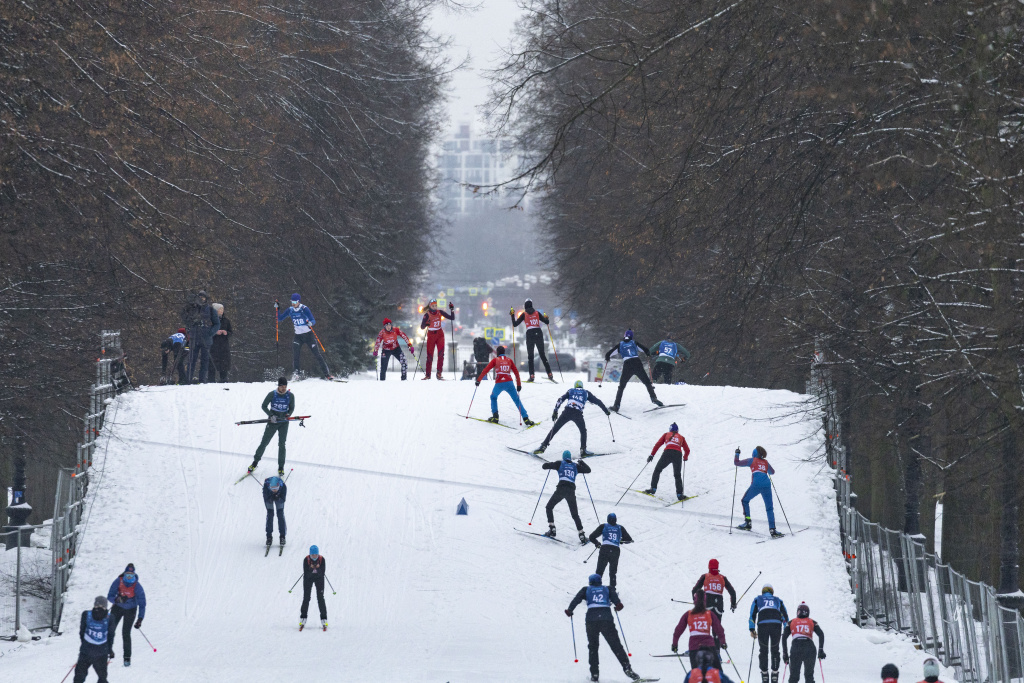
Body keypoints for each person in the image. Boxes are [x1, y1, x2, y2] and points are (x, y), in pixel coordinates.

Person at [565, 573, 641, 682]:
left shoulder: (586, 589)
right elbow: (617, 602)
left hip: (591, 621)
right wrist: (618, 605)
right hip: (606, 620)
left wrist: (570, 610)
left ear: (590, 582)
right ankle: (627, 668)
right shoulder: (607, 589)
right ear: (600, 581)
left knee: (593, 647)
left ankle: (594, 675)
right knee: (616, 645)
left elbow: (576, 600)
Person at [535, 380, 610, 457]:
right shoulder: (586, 392)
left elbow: (560, 399)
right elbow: (598, 401)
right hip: (577, 413)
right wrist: (606, 411)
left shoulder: (570, 391)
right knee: (583, 431)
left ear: (575, 386)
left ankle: (543, 446)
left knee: (555, 429)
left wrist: (555, 411)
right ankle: (583, 450)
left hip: (567, 411)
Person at [475, 345, 536, 426]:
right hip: (509, 383)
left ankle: (495, 417)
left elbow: (486, 370)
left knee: (493, 397)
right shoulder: (509, 360)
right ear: (504, 352)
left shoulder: (495, 360)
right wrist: (518, 384)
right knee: (517, 400)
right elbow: (516, 372)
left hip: (499, 383)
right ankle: (526, 418)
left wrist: (478, 380)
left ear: (497, 353)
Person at [603, 329, 662, 412]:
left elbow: (608, 354)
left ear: (624, 335)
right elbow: (645, 350)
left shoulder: (620, 344)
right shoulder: (634, 342)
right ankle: (654, 398)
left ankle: (616, 405)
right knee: (647, 382)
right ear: (632, 336)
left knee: (621, 387)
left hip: (627, 364)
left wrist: (607, 358)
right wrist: (648, 354)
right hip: (637, 363)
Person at [277, 293, 332, 380]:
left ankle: (327, 374)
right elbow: (279, 319)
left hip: (308, 336)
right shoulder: (290, 310)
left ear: (298, 301)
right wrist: (277, 309)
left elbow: (313, 320)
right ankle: (297, 375)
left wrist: (311, 323)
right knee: (296, 356)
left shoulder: (304, 309)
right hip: (298, 336)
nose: (293, 303)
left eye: (295, 302)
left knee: (317, 354)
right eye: (292, 301)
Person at [541, 451, 591, 543]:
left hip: (561, 490)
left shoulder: (560, 463)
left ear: (563, 457)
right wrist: (582, 462)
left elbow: (544, 466)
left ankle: (552, 529)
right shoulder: (575, 466)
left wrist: (550, 464)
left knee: (549, 507)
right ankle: (582, 535)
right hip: (571, 492)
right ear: (570, 458)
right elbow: (588, 470)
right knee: (575, 514)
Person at [248, 377, 294, 476]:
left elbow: (292, 408)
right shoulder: (272, 394)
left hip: (284, 423)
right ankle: (254, 463)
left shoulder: (290, 396)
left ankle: (281, 467)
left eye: (285, 386)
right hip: (273, 422)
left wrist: (288, 414)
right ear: (278, 386)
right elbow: (263, 406)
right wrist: (271, 415)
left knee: (282, 444)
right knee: (264, 442)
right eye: (282, 386)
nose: (283, 388)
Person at [734, 446, 782, 537]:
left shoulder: (752, 460)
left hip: (756, 485)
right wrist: (765, 468)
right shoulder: (765, 462)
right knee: (769, 508)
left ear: (754, 453)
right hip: (767, 485)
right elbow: (772, 472)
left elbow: (736, 463)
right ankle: (773, 530)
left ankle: (748, 523)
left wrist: (737, 453)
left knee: (745, 500)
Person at [672, 590, 727, 669]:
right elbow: (719, 630)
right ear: (705, 601)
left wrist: (675, 644)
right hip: (709, 647)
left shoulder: (688, 614)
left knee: (697, 675)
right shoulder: (710, 614)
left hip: (694, 648)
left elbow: (678, 631)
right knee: (718, 673)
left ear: (695, 601)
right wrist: (723, 643)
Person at [106, 563, 146, 667]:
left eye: (131, 575)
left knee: (126, 633)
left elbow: (142, 603)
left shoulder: (137, 586)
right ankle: (108, 651)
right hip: (118, 607)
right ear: (124, 574)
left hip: (131, 609)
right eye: (127, 574)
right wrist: (117, 599)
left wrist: (140, 618)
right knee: (110, 629)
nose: (129, 577)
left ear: (134, 575)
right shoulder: (118, 581)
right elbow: (109, 596)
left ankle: (127, 658)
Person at [749, 584, 789, 683]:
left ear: (763, 591)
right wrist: (786, 628)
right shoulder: (778, 600)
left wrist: (752, 628)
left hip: (763, 624)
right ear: (772, 592)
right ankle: (775, 673)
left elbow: (752, 614)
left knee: (763, 649)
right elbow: (784, 615)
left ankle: (764, 674)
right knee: (775, 649)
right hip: (776, 624)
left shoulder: (758, 599)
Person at [644, 422, 691, 500]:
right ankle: (680, 495)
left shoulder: (666, 434)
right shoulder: (681, 437)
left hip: (667, 453)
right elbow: (687, 450)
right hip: (678, 454)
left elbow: (658, 444)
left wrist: (652, 455)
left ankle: (653, 489)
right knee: (677, 475)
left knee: (657, 470)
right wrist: (685, 457)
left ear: (670, 429)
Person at [510, 299, 553, 382]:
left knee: (530, 356)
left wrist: (512, 315)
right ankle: (550, 374)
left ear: (525, 306)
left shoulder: (524, 314)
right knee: (542, 355)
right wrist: (546, 317)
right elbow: (547, 321)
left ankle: (532, 375)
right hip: (538, 332)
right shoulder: (537, 313)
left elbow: (515, 324)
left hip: (530, 333)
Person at [782, 602, 825, 683]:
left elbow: (784, 637)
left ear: (798, 612)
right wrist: (821, 650)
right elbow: (821, 634)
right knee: (809, 676)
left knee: (794, 676)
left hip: (796, 648)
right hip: (809, 648)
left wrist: (785, 654)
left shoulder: (791, 622)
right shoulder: (812, 621)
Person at [588, 513, 633, 590]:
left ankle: (595, 589)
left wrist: (597, 543)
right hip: (615, 550)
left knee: (600, 570)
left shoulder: (603, 526)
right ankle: (612, 590)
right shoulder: (620, 527)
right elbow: (629, 539)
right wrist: (620, 540)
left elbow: (591, 537)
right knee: (612, 571)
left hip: (605, 549)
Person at [182, 290, 220, 383]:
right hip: (194, 337)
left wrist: (210, 333)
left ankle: (202, 379)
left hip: (206, 338)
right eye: (199, 297)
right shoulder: (192, 308)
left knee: (205, 360)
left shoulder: (211, 310)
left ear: (206, 299)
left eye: (203, 297)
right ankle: (188, 378)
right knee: (191, 359)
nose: (201, 299)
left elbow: (217, 324)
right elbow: (184, 317)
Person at [75, 596, 111, 683]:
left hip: (97, 652)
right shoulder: (87, 615)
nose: (99, 608)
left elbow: (110, 635)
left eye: (102, 606)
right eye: (98, 606)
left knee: (101, 677)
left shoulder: (109, 617)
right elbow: (82, 631)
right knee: (80, 676)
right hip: (92, 652)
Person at [419, 298, 454, 379]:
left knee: (441, 354)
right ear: (430, 306)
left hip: (440, 334)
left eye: (436, 306)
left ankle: (439, 373)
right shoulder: (427, 315)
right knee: (430, 356)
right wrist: (426, 324)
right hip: (431, 335)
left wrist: (452, 309)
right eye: (433, 306)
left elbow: (452, 318)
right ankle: (428, 375)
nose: (435, 307)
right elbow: (422, 327)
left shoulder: (440, 312)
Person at [300, 545, 328, 630]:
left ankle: (324, 619)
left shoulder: (322, 559)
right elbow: (306, 574)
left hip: (319, 579)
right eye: (313, 555)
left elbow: (322, 573)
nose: (314, 556)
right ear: (310, 554)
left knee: (320, 598)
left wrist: (317, 569)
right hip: (308, 579)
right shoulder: (306, 560)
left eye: (316, 554)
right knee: (306, 598)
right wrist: (311, 569)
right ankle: (303, 618)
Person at [209, 303, 232, 382]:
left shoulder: (226, 321)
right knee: (212, 362)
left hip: (224, 345)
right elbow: (206, 332)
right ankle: (211, 380)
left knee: (224, 362)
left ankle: (224, 379)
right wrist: (215, 332)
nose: (221, 311)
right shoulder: (210, 320)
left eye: (222, 309)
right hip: (213, 344)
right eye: (220, 309)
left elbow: (231, 332)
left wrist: (226, 333)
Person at [264, 475, 287, 547]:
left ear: (278, 486)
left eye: (276, 488)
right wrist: (270, 498)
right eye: (272, 488)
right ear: (269, 487)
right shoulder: (266, 487)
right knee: (270, 515)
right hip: (269, 496)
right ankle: (269, 537)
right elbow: (266, 498)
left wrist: (278, 498)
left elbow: (283, 499)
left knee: (280, 515)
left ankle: (282, 536)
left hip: (279, 497)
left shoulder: (283, 487)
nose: (274, 490)